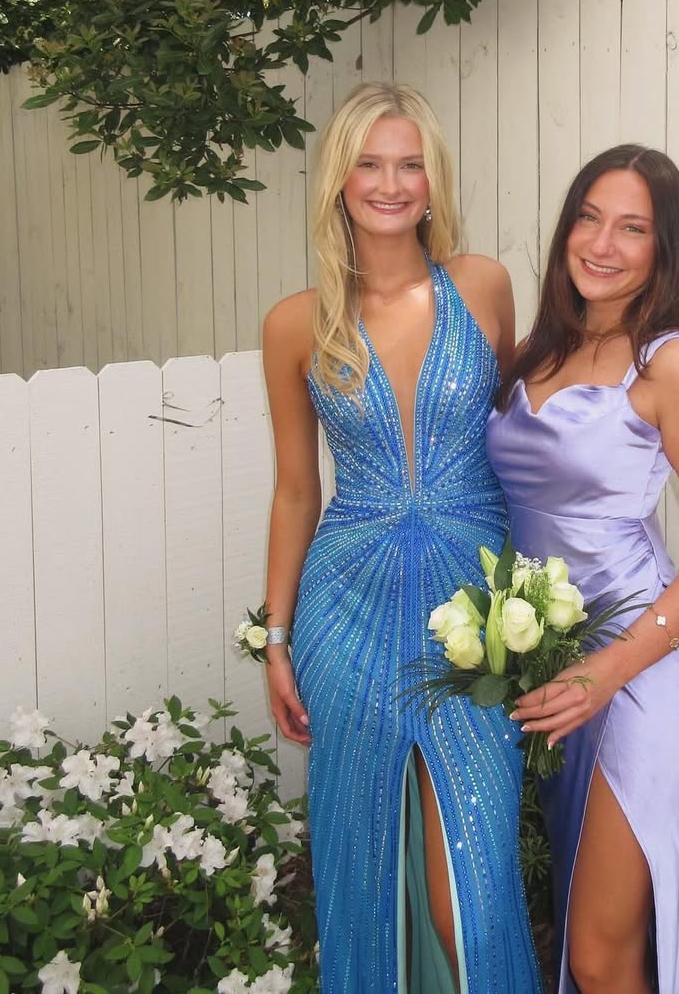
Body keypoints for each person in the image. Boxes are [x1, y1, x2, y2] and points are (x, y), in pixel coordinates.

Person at [260, 82, 542, 993]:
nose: (390, 183)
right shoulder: (296, 324)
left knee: (473, 877)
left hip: (473, 612)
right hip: (346, 612)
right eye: (369, 164)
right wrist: (274, 638)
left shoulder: (484, 286)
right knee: (365, 864)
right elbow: (297, 490)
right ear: (339, 182)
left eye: (409, 164)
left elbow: (520, 443)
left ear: (432, 180)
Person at [486, 144, 679, 994]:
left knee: (599, 951)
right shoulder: (533, 352)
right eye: (589, 218)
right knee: (588, 923)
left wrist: (608, 670)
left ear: (664, 249)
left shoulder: (673, 362)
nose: (601, 244)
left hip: (639, 662)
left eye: (632, 228)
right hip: (549, 655)